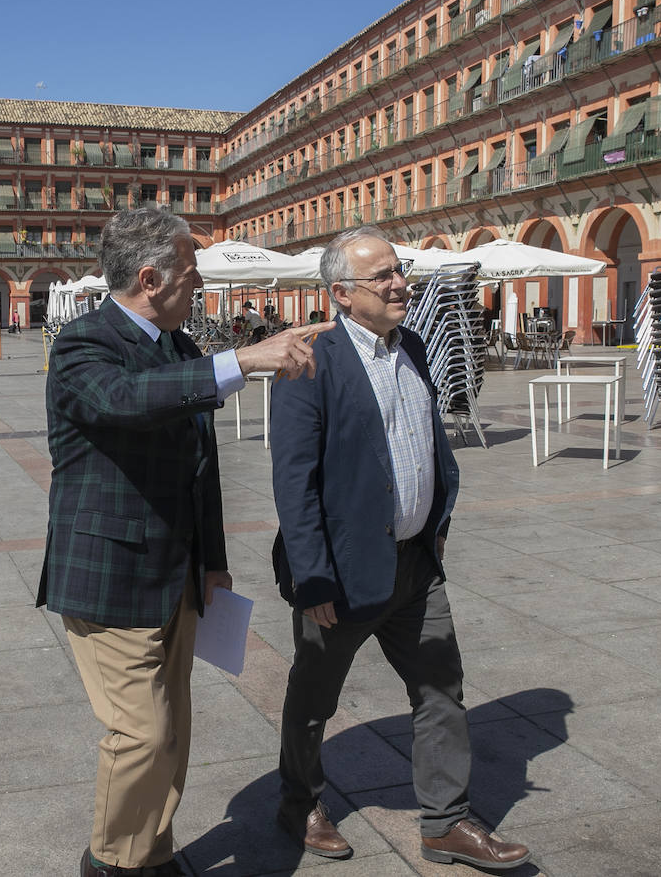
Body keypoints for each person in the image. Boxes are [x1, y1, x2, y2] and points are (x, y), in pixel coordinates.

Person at [39, 208, 334, 877]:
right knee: (140, 734)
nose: (197, 285)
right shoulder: (84, 344)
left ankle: (152, 852)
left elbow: (202, 466)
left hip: (176, 573)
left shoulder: (176, 346)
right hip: (110, 574)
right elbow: (125, 400)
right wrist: (245, 358)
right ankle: (112, 862)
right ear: (150, 279)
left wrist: (217, 563)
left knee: (171, 734)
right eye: (191, 274)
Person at [269, 227, 530, 871]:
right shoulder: (310, 359)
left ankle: (445, 824)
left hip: (416, 564)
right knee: (313, 700)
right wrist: (313, 579)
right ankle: (299, 801)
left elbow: (424, 439)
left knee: (441, 689)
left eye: (399, 271)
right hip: (343, 572)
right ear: (341, 294)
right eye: (382, 276)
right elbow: (293, 482)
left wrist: (437, 514)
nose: (399, 285)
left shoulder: (411, 344)